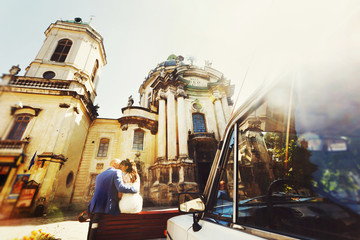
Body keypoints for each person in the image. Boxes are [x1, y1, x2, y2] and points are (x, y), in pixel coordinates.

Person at [87, 159, 138, 240]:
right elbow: (121, 188)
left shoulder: (99, 175)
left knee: (93, 230)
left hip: (94, 207)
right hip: (107, 208)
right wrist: (135, 189)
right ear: (115, 164)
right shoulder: (116, 172)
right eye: (120, 164)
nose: (121, 167)